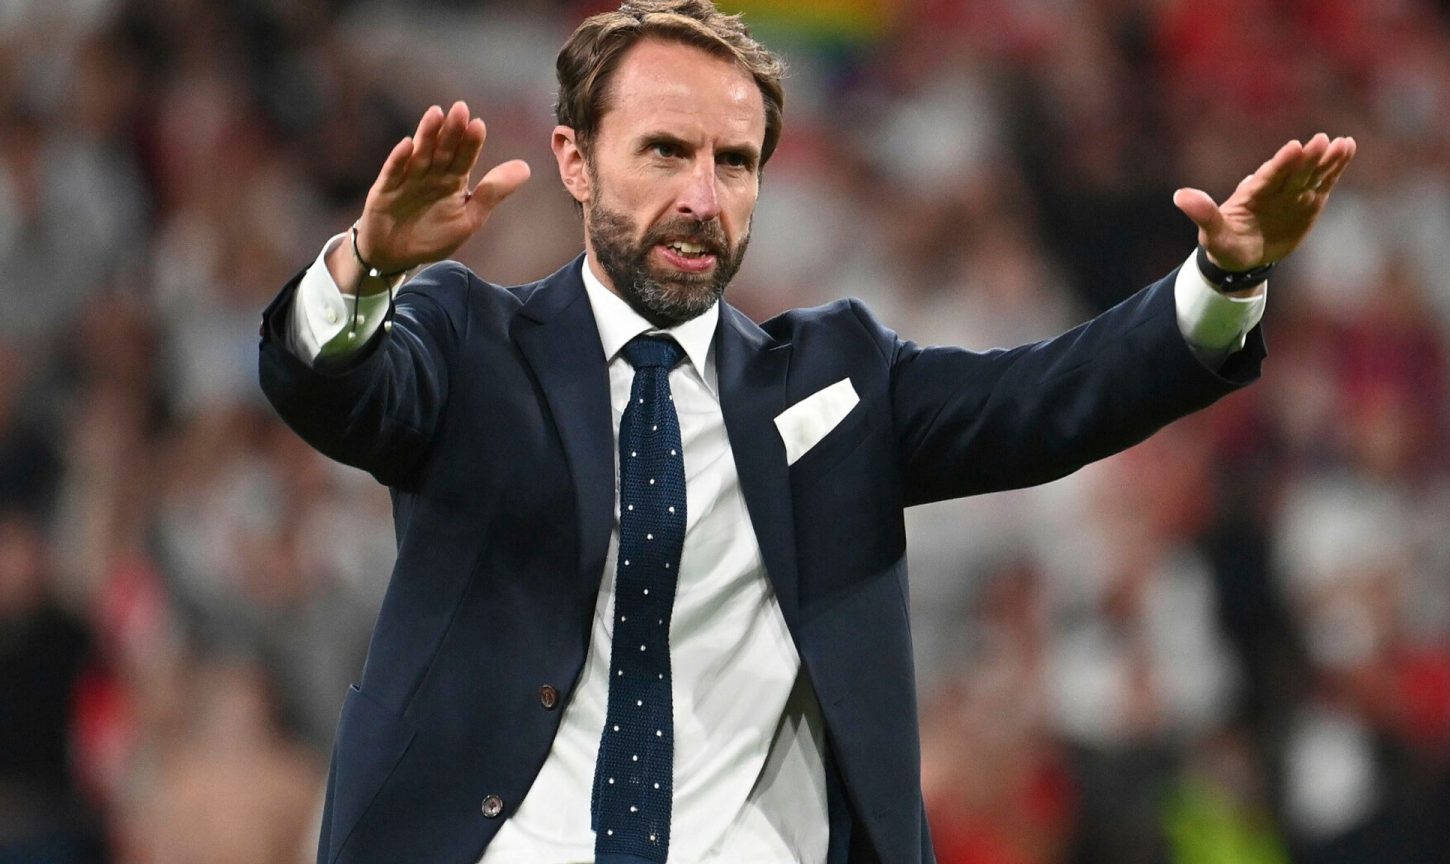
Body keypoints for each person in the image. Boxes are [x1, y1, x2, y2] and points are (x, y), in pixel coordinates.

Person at [256, 2, 1356, 863]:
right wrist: (367, 267)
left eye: (734, 162)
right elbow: (334, 391)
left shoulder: (837, 376)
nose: (703, 196)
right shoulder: (468, 338)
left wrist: (1223, 280)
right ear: (575, 159)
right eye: (664, 151)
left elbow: (1047, 400)